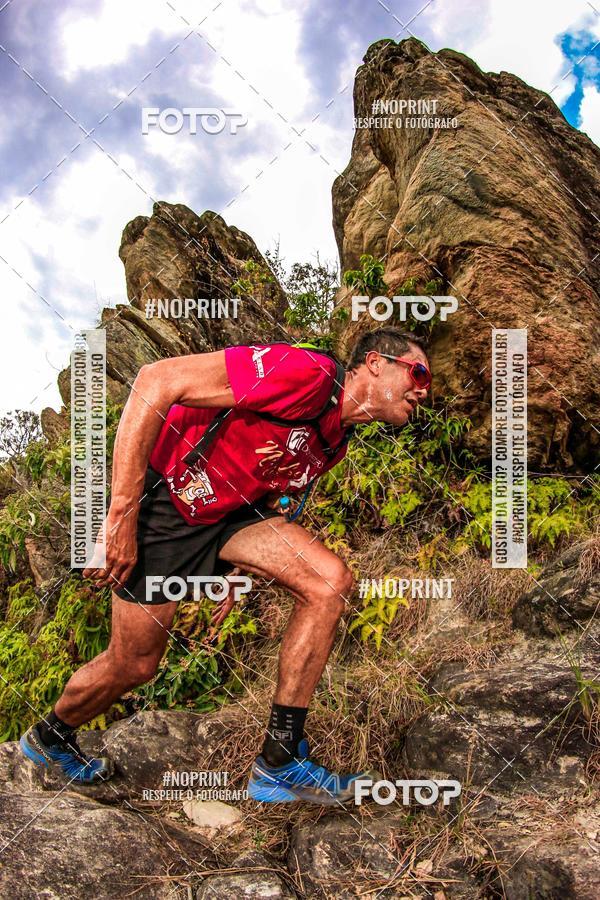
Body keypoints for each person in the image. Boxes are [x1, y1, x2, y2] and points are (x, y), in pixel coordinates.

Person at [20, 327, 431, 804]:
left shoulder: (335, 440)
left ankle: (280, 763)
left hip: (233, 516)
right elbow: (155, 380)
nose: (424, 389)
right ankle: (51, 738)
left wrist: (237, 568)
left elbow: (274, 494)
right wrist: (121, 515)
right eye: (418, 372)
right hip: (166, 505)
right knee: (135, 662)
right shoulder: (306, 374)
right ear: (377, 363)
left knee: (328, 582)